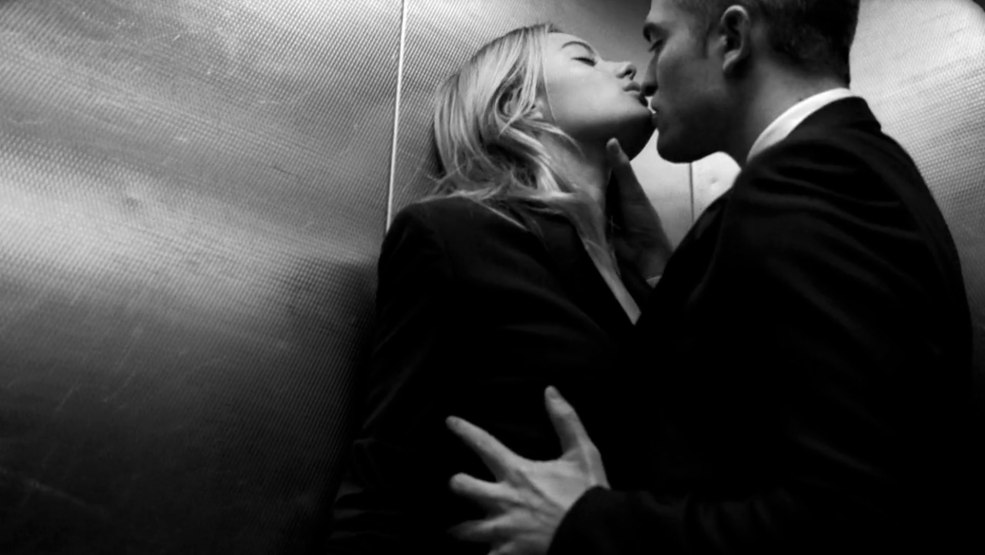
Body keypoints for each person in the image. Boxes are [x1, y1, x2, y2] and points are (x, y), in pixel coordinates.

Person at [446, 1, 974, 554]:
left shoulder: (813, 182)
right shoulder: (846, 171)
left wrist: (585, 523)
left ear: (733, 38)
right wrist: (669, 275)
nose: (647, 76)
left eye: (658, 42)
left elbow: (847, 518)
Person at [324, 23, 669, 554]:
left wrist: (661, 273)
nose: (627, 68)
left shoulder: (641, 277)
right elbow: (384, 482)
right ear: (514, 103)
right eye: (584, 59)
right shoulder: (454, 235)